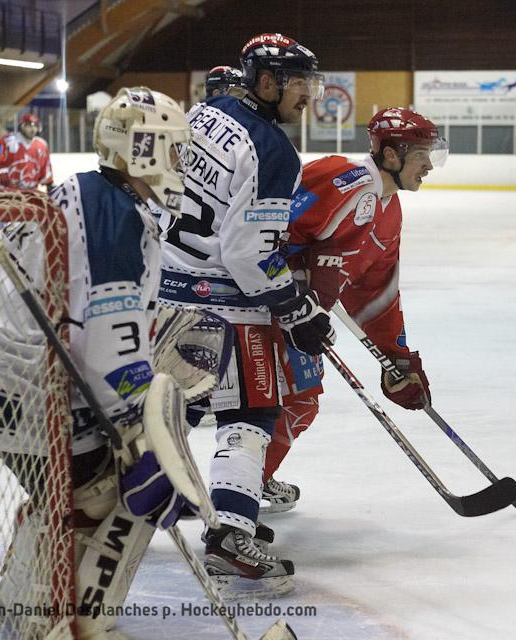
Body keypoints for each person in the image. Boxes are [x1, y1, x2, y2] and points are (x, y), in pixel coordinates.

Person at [0, 87, 194, 639]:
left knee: (84, 476)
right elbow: (107, 350)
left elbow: (96, 331)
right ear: (143, 150)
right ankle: (55, 620)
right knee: (105, 489)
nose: (180, 162)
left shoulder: (96, 194)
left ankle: (25, 601)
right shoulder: (114, 216)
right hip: (6, 374)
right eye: (173, 148)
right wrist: (142, 439)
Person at [155, 33, 330, 597]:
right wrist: (296, 307)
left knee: (176, 410)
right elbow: (249, 254)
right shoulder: (273, 149)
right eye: (298, 83)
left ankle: (114, 504)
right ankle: (230, 534)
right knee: (251, 413)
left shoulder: (200, 116)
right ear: (266, 81)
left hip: (167, 291)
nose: (307, 96)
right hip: (227, 306)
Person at [259, 108, 448, 513]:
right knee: (282, 399)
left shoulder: (390, 211)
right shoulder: (340, 177)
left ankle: (248, 480)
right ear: (391, 155)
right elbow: (262, 234)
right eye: (421, 155)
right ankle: (240, 486)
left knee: (297, 401)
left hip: (300, 318)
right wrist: (293, 289)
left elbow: (374, 290)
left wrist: (396, 358)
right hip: (264, 305)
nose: (429, 166)